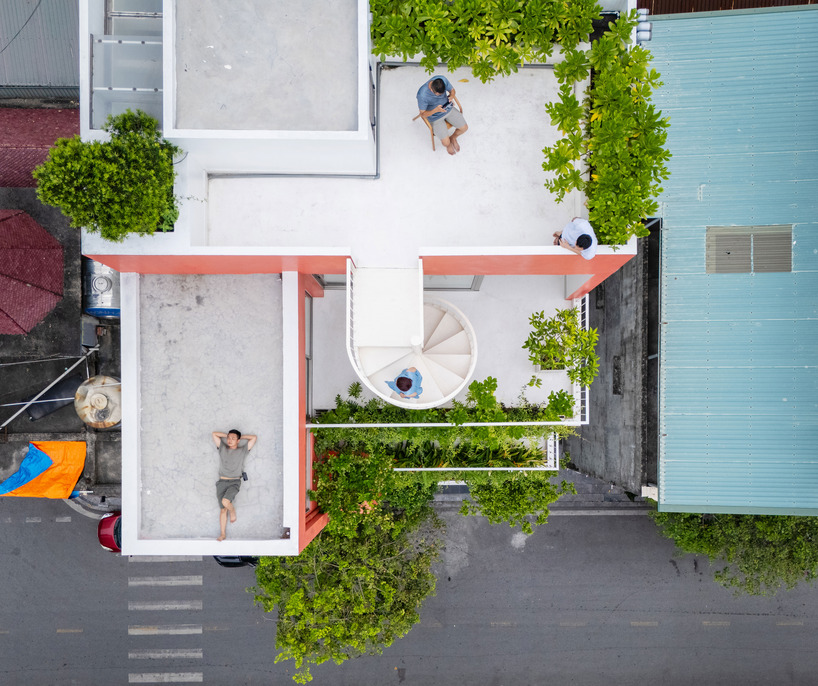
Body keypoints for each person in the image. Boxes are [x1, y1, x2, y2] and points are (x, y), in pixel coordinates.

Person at [211, 428, 257, 541]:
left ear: (238, 440)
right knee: (222, 509)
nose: (230, 440)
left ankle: (232, 511)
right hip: (221, 482)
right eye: (229, 438)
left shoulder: (243, 450)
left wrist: (241, 437)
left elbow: (254, 438)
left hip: (234, 482)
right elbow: (214, 434)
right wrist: (227, 435)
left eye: (233, 438)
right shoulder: (222, 448)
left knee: (225, 502)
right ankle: (222, 534)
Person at [417, 75, 468, 156]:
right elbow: (422, 114)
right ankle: (448, 145)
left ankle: (453, 138)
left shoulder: (442, 79)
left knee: (464, 128)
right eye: (438, 94)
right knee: (445, 142)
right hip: (435, 117)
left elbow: (452, 90)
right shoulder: (422, 94)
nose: (441, 96)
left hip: (448, 109)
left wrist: (451, 96)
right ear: (431, 89)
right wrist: (435, 110)